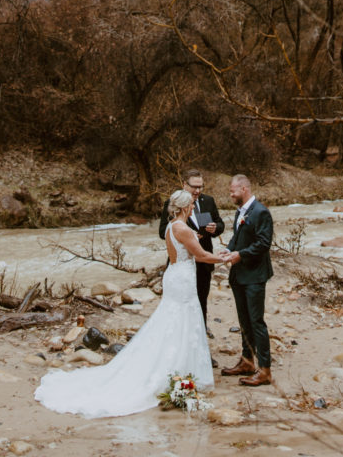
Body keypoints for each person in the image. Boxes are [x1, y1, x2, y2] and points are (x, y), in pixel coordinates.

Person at [35, 190, 226, 418]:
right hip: (183, 278)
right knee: (184, 320)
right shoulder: (183, 229)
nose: (194, 208)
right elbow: (202, 256)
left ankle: (180, 370)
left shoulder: (170, 226)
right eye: (192, 205)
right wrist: (225, 257)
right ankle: (178, 372)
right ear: (185, 207)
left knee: (173, 320)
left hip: (174, 274)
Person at [220, 174, 273, 387]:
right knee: (243, 320)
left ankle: (265, 370)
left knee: (256, 321)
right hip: (239, 275)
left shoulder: (261, 212)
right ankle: (247, 361)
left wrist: (240, 255)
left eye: (233, 190)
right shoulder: (240, 212)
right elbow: (237, 237)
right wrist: (228, 250)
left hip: (255, 275)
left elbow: (263, 243)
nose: (230, 194)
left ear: (244, 189)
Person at [158, 169, 225, 332]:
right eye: (194, 187)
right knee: (180, 302)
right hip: (183, 263)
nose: (197, 191)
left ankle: (201, 329)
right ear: (184, 184)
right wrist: (186, 236)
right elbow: (163, 231)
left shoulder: (208, 201)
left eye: (200, 187)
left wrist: (215, 228)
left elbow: (220, 224)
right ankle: (182, 332)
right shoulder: (173, 204)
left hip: (203, 263)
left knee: (201, 299)